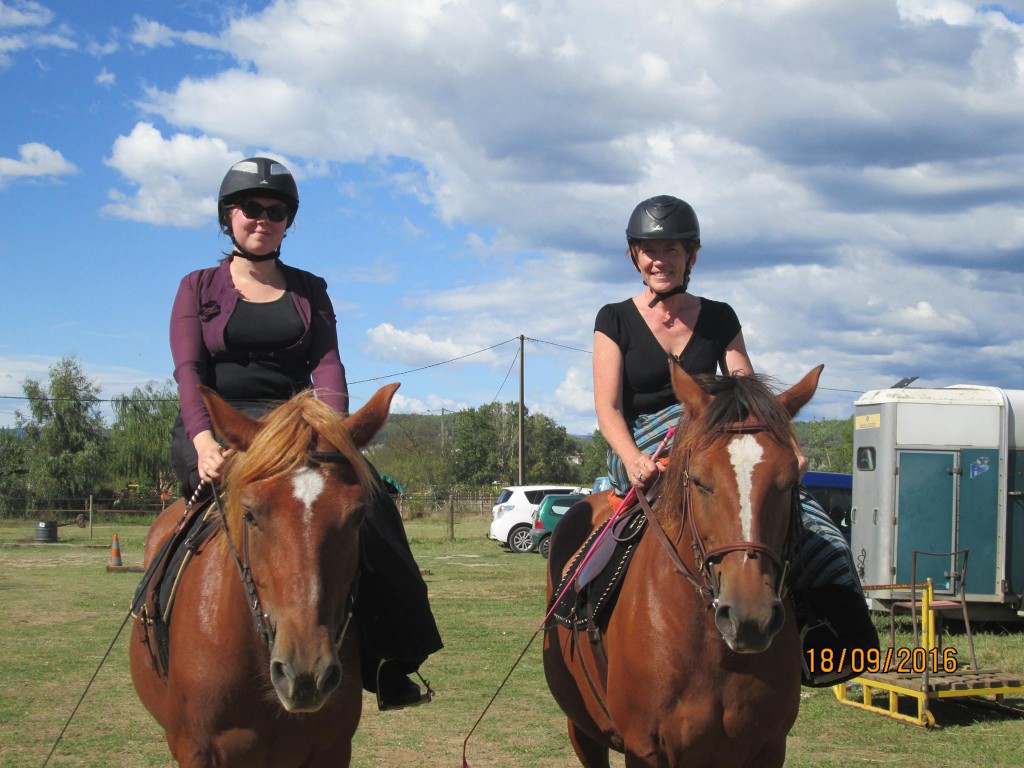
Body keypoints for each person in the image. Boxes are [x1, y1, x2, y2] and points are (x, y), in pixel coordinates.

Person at [169, 157, 442, 708]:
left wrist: (333, 435)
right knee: (189, 529)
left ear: (287, 222)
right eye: (251, 209)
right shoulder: (197, 287)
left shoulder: (310, 289)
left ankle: (392, 660)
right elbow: (189, 371)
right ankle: (156, 625)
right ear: (229, 217)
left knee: (376, 517)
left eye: (276, 211)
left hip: (300, 431)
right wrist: (203, 442)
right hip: (224, 426)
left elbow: (329, 367)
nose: (263, 219)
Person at [592, 194, 876, 686]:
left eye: (672, 249)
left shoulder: (720, 316)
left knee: (816, 526)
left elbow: (748, 391)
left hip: (716, 440)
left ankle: (830, 637)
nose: (660, 259)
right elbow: (608, 408)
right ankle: (584, 619)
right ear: (635, 257)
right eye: (649, 250)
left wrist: (787, 444)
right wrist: (633, 457)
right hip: (642, 448)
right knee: (598, 539)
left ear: (691, 257)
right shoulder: (613, 318)